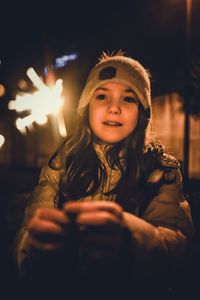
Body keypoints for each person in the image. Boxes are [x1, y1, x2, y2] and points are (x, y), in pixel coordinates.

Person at [13, 51, 194, 300]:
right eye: (102, 96)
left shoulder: (161, 171)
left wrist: (131, 239)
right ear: (86, 108)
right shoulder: (62, 165)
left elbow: (177, 245)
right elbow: (25, 234)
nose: (114, 108)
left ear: (143, 113)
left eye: (128, 99)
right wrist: (35, 247)